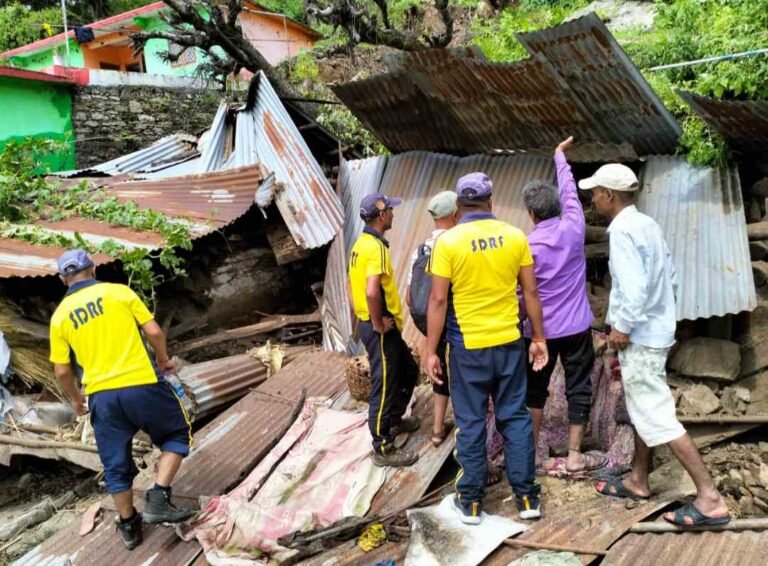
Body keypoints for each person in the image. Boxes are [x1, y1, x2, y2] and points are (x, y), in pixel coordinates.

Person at [582, 166, 731, 526]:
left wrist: (622, 327)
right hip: (656, 331)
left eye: (597, 192)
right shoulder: (647, 224)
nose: (593, 198)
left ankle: (709, 498)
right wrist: (659, 318)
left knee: (658, 415)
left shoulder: (622, 232)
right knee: (643, 408)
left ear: (610, 196)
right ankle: (638, 479)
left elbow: (633, 288)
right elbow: (671, 278)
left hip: (641, 336)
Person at [425, 172, 549, 525]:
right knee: (515, 417)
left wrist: (430, 350)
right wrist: (538, 339)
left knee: (471, 422)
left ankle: (473, 503)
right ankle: (526, 498)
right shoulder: (515, 237)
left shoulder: (447, 243)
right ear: (491, 201)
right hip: (509, 342)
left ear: (460, 206)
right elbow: (530, 293)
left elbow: (436, 300)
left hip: (467, 347)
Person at [49, 250, 194, 551]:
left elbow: (62, 371)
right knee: (176, 433)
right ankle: (158, 497)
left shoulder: (61, 316)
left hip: (102, 397)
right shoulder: (119, 292)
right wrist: (164, 359)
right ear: (94, 267)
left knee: (115, 465)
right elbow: (153, 331)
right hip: (141, 384)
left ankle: (129, 527)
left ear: (63, 279)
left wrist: (77, 400)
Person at [520, 136, 606, 475]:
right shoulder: (574, 227)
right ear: (557, 207)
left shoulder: (526, 246)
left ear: (530, 213)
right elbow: (570, 191)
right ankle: (573, 455)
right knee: (578, 387)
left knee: (535, 391)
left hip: (539, 333)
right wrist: (559, 158)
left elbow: (521, 292)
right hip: (576, 328)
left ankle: (532, 454)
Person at [348, 193, 420, 467]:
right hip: (380, 327)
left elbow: (348, 282)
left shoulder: (362, 244)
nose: (393, 213)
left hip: (377, 323)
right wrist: (376, 323)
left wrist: (361, 314)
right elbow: (371, 290)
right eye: (390, 209)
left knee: (408, 370)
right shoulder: (374, 247)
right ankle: (383, 446)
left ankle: (393, 420)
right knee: (385, 383)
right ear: (381, 215)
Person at [405, 190, 458, 447]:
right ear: (456, 213)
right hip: (453, 321)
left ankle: (437, 431)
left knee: (439, 372)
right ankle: (466, 429)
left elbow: (408, 297)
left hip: (427, 322)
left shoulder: (421, 249)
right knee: (461, 372)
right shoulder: (456, 245)